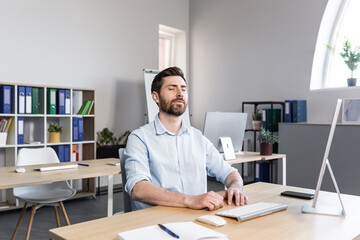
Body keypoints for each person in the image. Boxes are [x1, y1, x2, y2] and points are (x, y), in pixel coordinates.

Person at [124, 66, 248, 210]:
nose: (179, 93)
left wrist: (236, 187)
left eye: (183, 89)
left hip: (198, 218)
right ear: (155, 97)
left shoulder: (197, 137)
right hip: (158, 222)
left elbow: (230, 173)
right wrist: (191, 200)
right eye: (172, 89)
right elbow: (138, 189)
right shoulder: (139, 138)